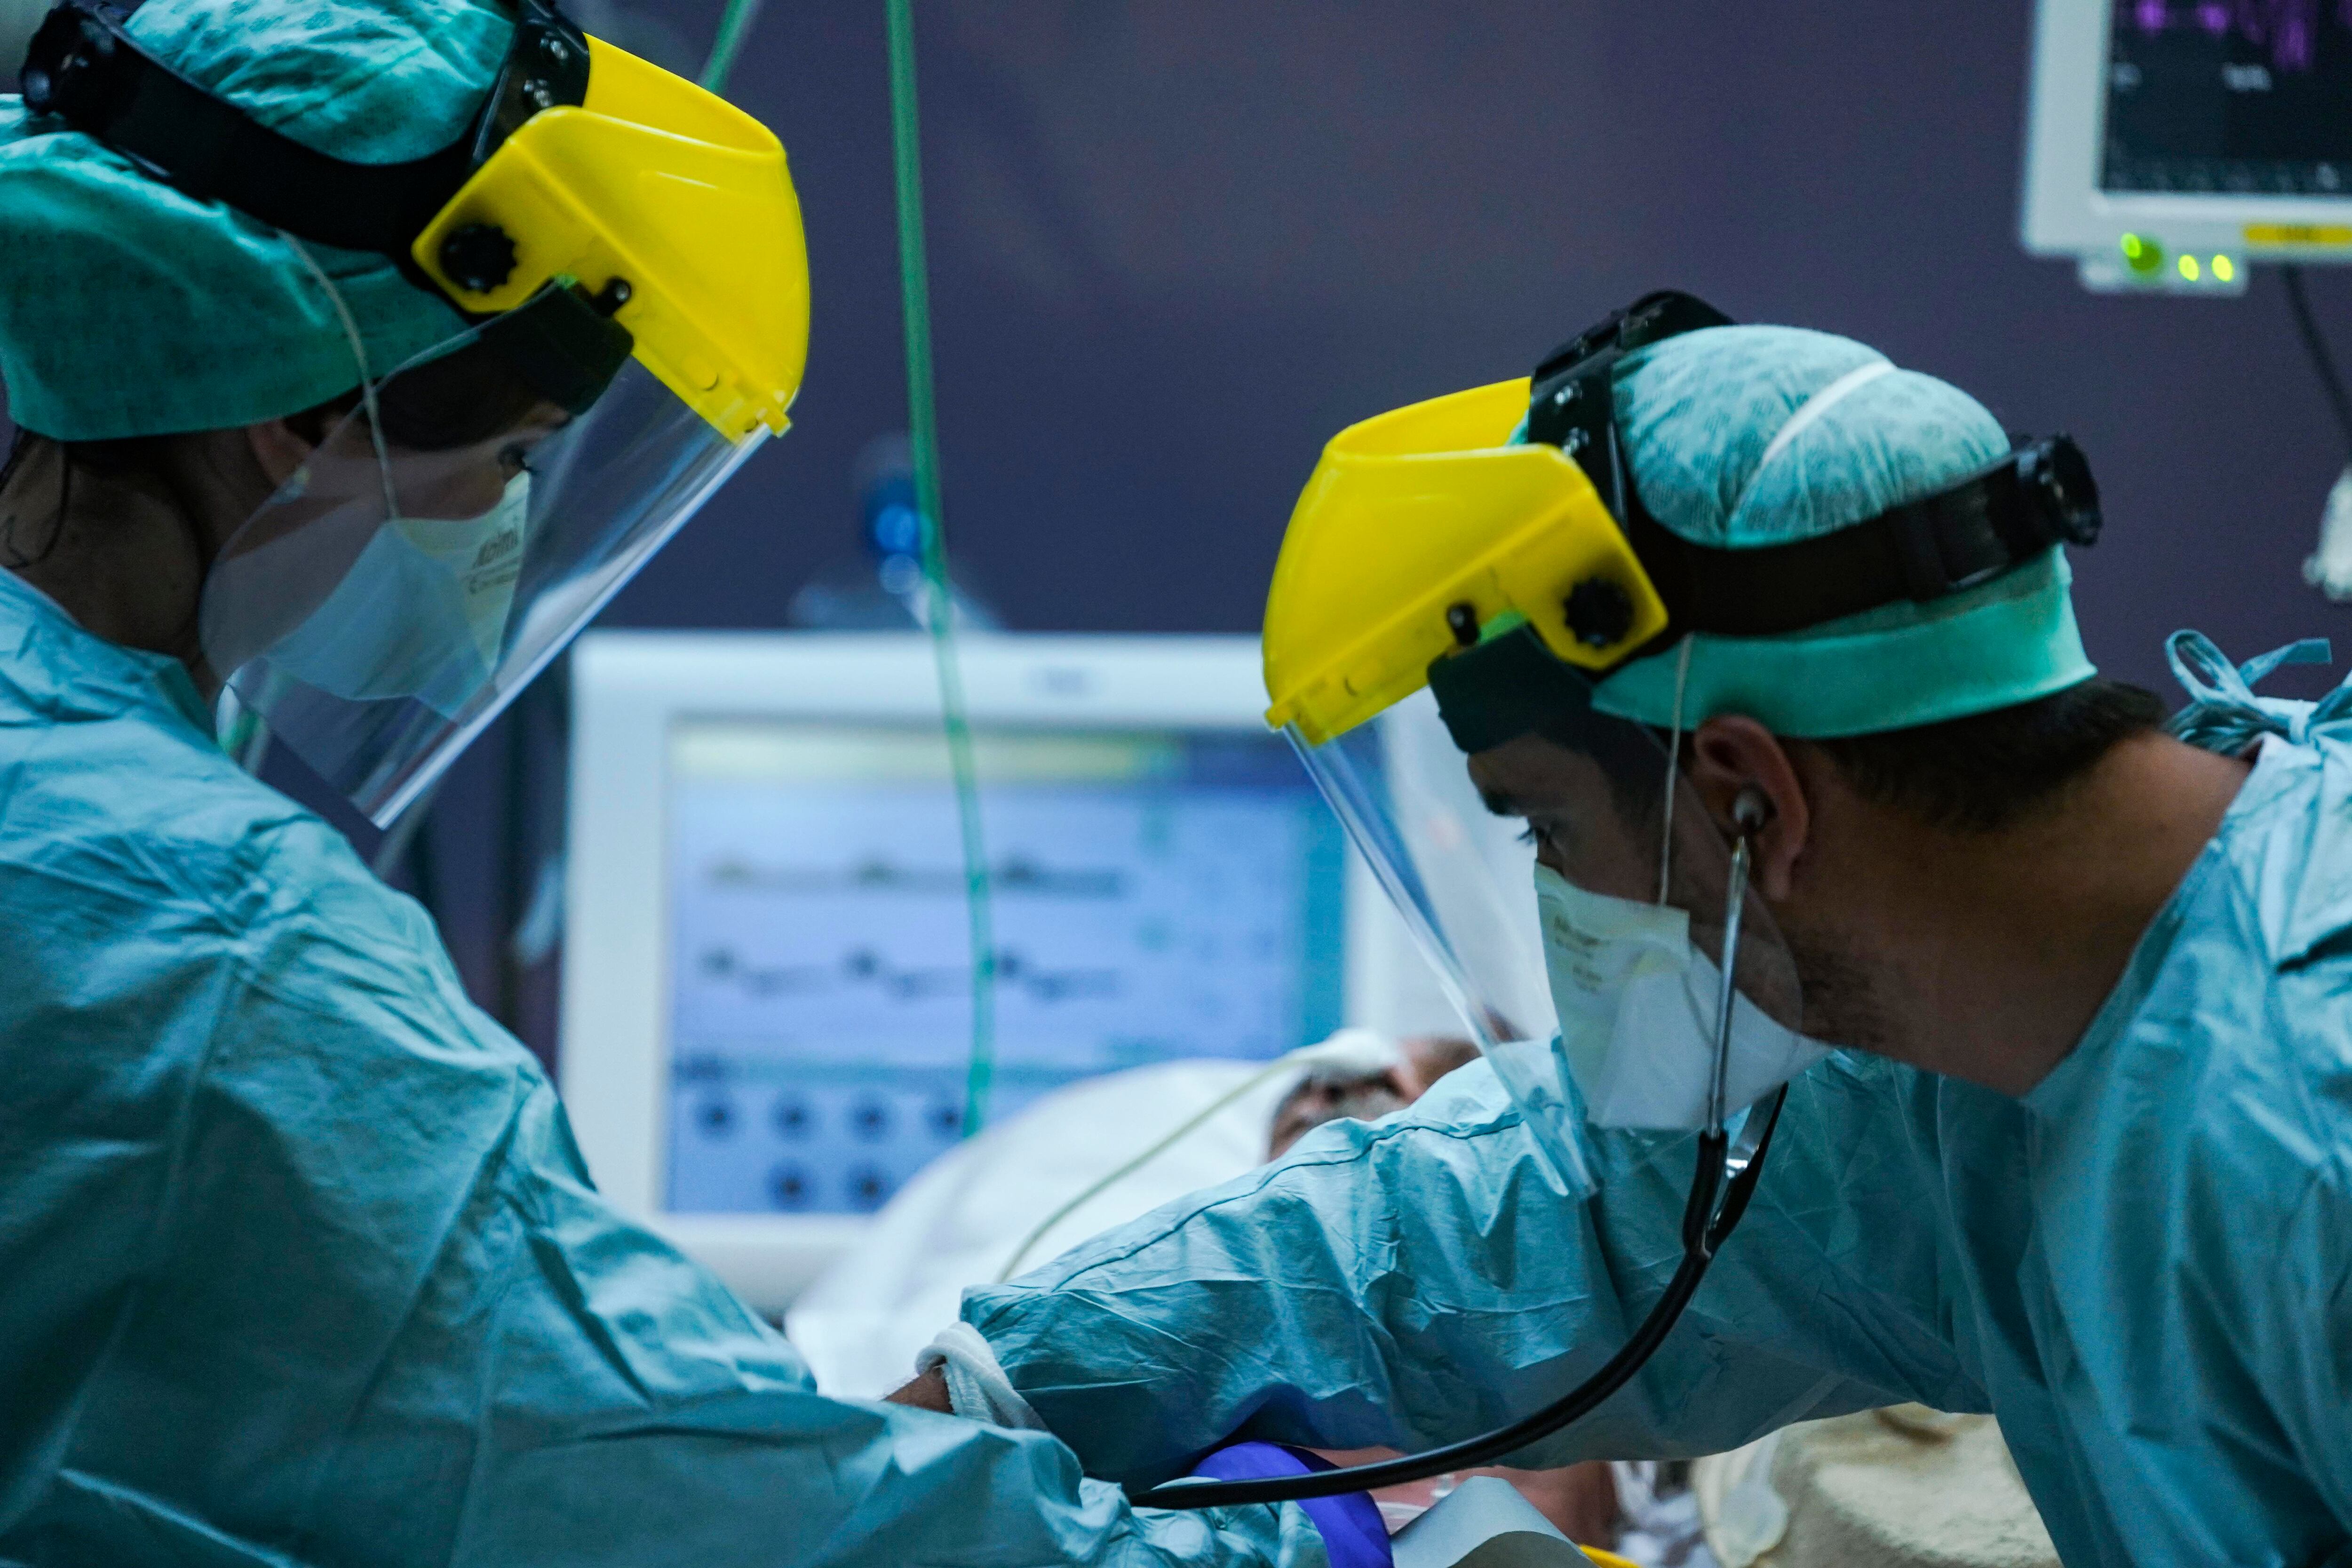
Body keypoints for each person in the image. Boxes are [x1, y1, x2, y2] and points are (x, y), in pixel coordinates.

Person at [0, 1, 1345, 1562]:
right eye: (509, 464)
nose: (504, 532)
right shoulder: (224, 947)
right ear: (297, 415)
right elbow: (707, 1502)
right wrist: (1322, 1539)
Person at [899, 298, 2352, 1565]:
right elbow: (1510, 1234)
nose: (1559, 896)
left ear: (1750, 799)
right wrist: (966, 1407)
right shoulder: (1967, 1069)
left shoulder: (2308, 1120)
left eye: (1545, 827)